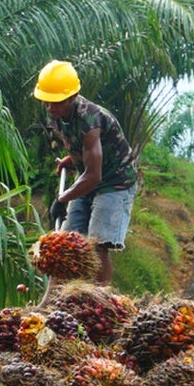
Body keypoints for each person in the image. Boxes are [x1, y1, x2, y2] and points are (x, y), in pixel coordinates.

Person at [33, 59, 138, 286]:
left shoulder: (90, 120)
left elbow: (94, 175)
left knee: (96, 243)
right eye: (46, 102)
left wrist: (63, 198)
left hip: (114, 182)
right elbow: (85, 149)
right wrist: (72, 159)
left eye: (56, 102)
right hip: (89, 178)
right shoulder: (58, 115)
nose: (50, 107)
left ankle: (99, 299)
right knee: (68, 245)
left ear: (72, 97)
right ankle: (60, 302)